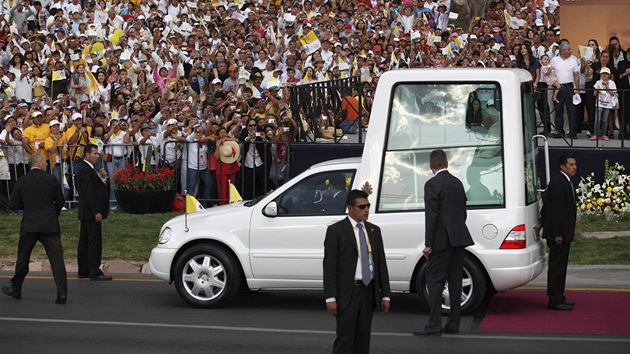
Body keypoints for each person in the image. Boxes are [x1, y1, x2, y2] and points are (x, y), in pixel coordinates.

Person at [323, 189, 391, 353]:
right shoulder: (337, 231)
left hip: (368, 291)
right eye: (361, 207)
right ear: (350, 208)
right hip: (348, 293)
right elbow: (329, 266)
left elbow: (381, 263)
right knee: (345, 339)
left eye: (368, 206)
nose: (366, 210)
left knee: (363, 339)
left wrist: (386, 295)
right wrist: (330, 297)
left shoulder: (374, 231)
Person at [415, 149, 474, 336]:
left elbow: (431, 216)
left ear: (431, 167)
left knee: (434, 281)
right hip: (459, 238)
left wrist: (428, 243)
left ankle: (434, 324)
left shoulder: (431, 184)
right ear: (447, 163)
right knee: (455, 281)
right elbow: (463, 212)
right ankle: (453, 324)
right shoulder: (457, 183)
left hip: (441, 241)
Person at [2, 153, 67, 304]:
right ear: (38, 162)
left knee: (23, 259)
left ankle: (16, 288)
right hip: (50, 225)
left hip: (29, 225)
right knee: (57, 260)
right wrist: (53, 213)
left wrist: (28, 207)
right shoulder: (51, 179)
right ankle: (62, 292)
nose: (46, 164)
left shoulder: (22, 181)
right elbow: (60, 201)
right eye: (45, 162)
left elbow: (13, 205)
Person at [542, 154, 577, 311]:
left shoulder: (564, 181)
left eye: (575, 164)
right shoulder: (558, 183)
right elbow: (555, 211)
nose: (574, 167)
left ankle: (559, 296)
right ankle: (554, 299)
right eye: (571, 164)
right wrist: (556, 234)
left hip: (563, 234)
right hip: (558, 236)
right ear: (562, 166)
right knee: (557, 266)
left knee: (561, 266)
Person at [76, 144, 112, 281]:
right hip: (90, 212)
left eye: (97, 154)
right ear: (87, 154)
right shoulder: (85, 170)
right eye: (95, 153)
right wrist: (96, 211)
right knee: (93, 241)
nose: (97, 156)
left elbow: (97, 188)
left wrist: (103, 178)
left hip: (87, 211)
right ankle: (93, 270)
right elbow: (89, 193)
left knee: (85, 240)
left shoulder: (89, 169)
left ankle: (84, 270)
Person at [550, 43, 580, 139]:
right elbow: (550, 73)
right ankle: (559, 132)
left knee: (572, 111)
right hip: (558, 88)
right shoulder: (554, 60)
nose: (570, 51)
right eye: (569, 50)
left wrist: (577, 88)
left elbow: (576, 75)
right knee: (558, 111)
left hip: (569, 88)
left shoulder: (573, 60)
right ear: (563, 51)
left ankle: (572, 132)